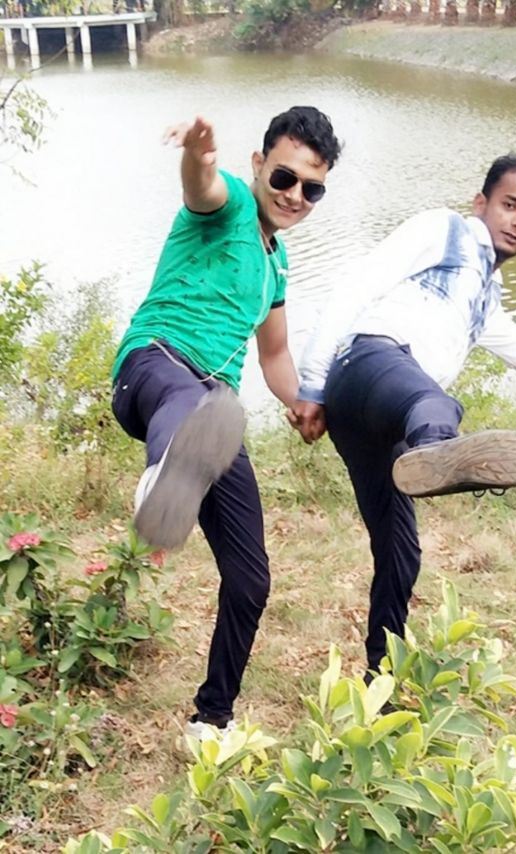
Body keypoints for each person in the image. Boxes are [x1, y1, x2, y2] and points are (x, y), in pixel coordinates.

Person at [290, 154, 516, 679]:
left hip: (385, 420)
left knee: (401, 552)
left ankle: (380, 680)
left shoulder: (485, 289)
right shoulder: (444, 231)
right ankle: (440, 449)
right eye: (510, 205)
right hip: (370, 365)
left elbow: (508, 338)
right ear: (481, 202)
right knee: (436, 406)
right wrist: (312, 381)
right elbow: (358, 284)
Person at [111, 107, 341, 737]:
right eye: (285, 178)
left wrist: (305, 403)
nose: (294, 196)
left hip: (215, 413)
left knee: (250, 577)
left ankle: (211, 719)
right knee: (191, 402)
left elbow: (275, 355)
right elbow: (201, 188)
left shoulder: (277, 263)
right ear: (259, 165)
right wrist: (198, 156)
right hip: (154, 364)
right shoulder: (232, 203)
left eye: (312, 189)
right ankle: (163, 474)